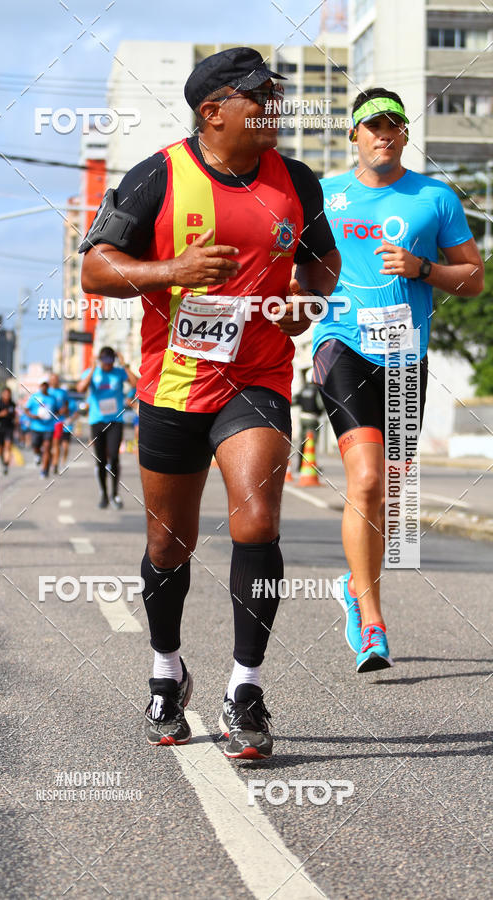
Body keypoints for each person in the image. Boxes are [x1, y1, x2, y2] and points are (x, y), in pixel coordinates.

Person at [80, 46, 340, 759]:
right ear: (213, 110)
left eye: (277, 97)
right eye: (259, 99)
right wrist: (174, 270)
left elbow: (322, 258)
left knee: (257, 519)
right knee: (169, 543)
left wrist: (306, 299)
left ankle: (245, 692)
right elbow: (95, 270)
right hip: (173, 387)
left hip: (256, 381)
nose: (275, 111)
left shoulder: (299, 181)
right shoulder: (159, 176)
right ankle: (167, 672)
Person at [312, 87, 484, 673]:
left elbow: (475, 280)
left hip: (407, 355)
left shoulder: (435, 198)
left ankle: (352, 584)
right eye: (372, 126)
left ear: (406, 135)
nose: (384, 134)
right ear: (354, 136)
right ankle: (372, 618)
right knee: (364, 480)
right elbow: (293, 269)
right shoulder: (327, 195)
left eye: (393, 126)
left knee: (386, 492)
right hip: (342, 345)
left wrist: (424, 268)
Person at [76, 347, 138, 509]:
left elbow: (136, 383)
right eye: (105, 362)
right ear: (100, 360)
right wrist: (93, 368)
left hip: (115, 421)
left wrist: (125, 364)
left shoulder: (118, 372)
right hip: (97, 421)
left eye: (111, 362)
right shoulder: (93, 372)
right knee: (101, 459)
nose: (108, 366)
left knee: (115, 458)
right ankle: (103, 493)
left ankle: (115, 494)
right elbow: (80, 388)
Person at [25, 380, 58, 478]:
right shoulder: (34, 397)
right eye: (42, 385)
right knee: (35, 446)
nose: (44, 387)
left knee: (47, 447)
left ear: (48, 386)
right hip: (36, 427)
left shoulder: (52, 398)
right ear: (40, 386)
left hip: (49, 427)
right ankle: (37, 455)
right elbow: (26, 410)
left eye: (46, 385)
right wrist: (32, 416)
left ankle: (44, 470)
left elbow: (57, 410)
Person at [48, 373, 69, 475]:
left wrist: (64, 410)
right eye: (52, 379)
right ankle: (47, 460)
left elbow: (67, 405)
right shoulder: (46, 391)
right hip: (46, 422)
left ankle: (55, 464)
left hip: (58, 421)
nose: (54, 381)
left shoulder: (63, 392)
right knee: (47, 444)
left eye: (56, 379)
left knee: (56, 443)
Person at [0, 386, 17, 475]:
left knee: (8, 446)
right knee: (0, 449)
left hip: (9, 428)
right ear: (2, 394)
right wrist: (0, 414)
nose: (7, 396)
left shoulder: (12, 404)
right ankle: (3, 460)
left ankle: (6, 464)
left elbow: (15, 415)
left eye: (8, 394)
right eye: (5, 394)